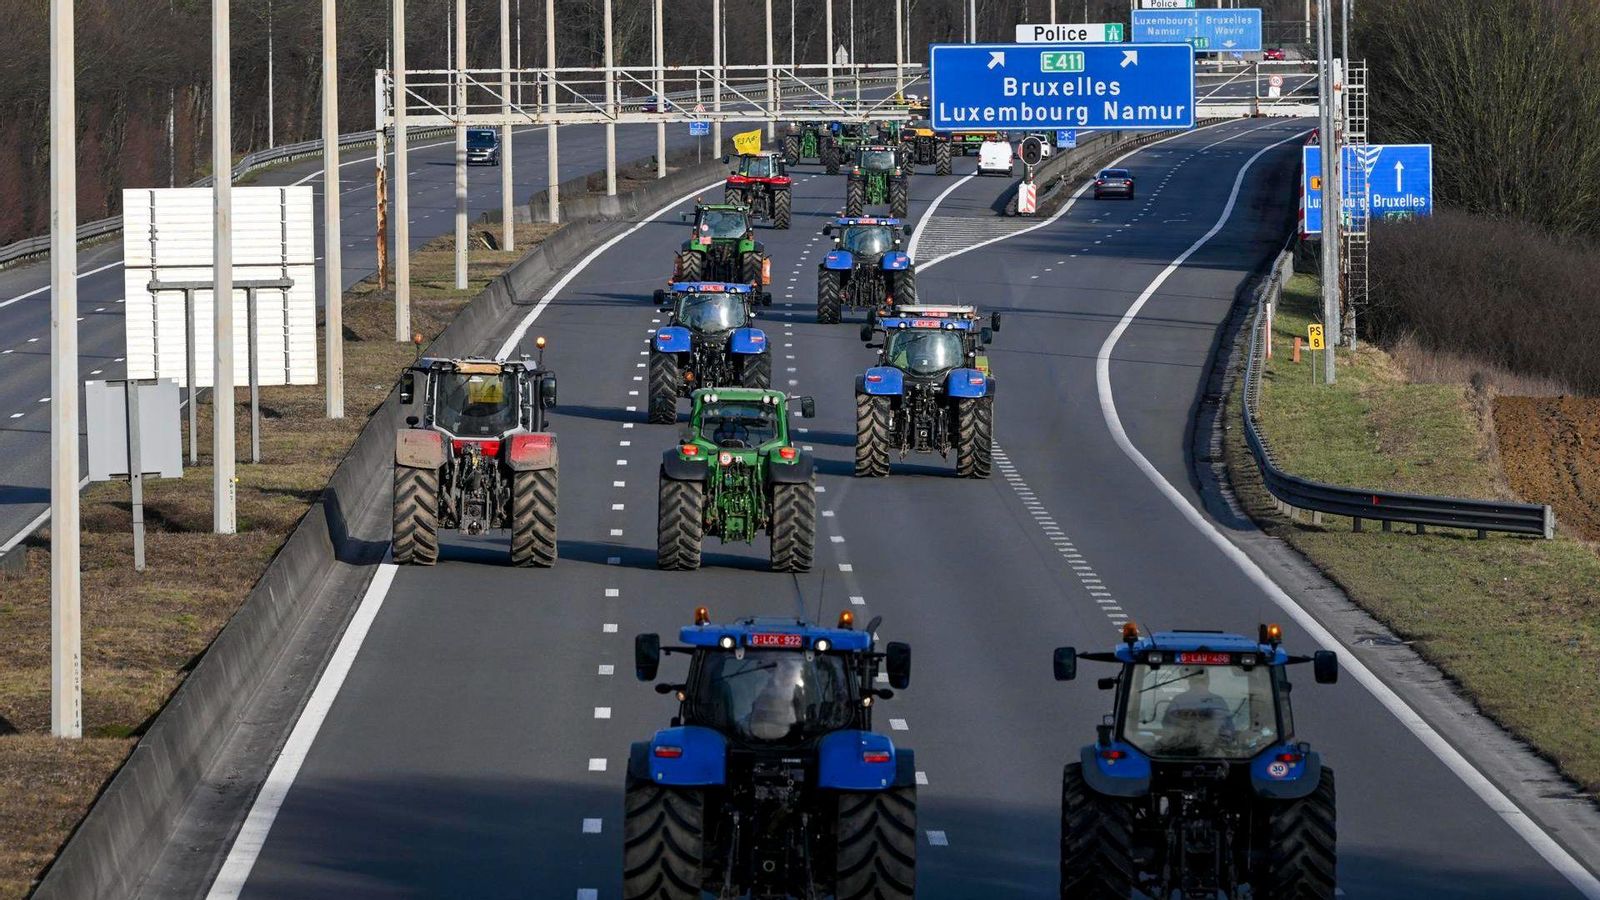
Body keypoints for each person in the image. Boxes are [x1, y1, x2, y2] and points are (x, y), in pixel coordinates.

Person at [1160, 667, 1236, 753]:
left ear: (1190, 682)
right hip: (1211, 754)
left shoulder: (1178, 700)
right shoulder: (1218, 701)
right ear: (1208, 682)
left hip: (1179, 753)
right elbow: (1229, 732)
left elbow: (1166, 726)